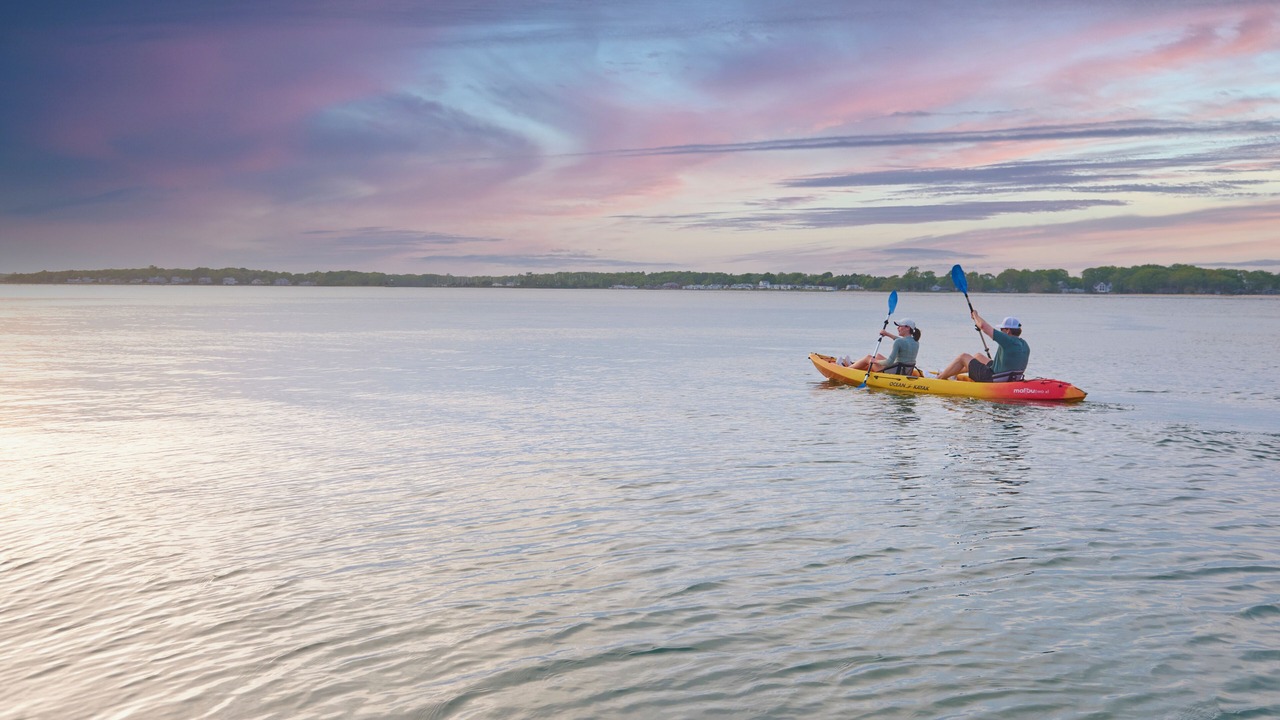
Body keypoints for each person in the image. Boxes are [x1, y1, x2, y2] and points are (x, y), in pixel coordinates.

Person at [935, 312, 1029, 382]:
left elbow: (983, 326)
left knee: (963, 357)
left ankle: (938, 378)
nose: (1001, 331)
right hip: (1009, 376)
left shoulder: (1008, 340)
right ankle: (951, 373)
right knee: (978, 356)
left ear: (1008, 330)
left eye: (1002, 329)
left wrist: (975, 315)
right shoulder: (1025, 344)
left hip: (993, 379)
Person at [839, 318, 921, 375]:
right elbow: (901, 341)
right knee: (878, 356)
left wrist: (875, 361)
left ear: (907, 328)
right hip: (904, 370)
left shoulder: (899, 342)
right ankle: (854, 366)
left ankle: (847, 370)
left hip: (893, 373)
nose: (898, 328)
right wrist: (887, 334)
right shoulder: (915, 342)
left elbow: (889, 362)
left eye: (900, 326)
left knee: (869, 358)